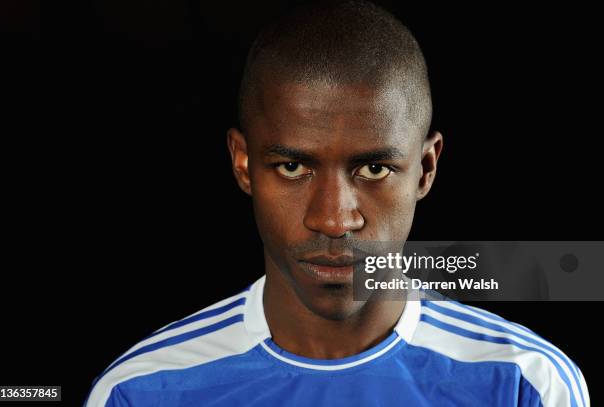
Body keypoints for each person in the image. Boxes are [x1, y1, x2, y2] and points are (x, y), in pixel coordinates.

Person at [84, 1, 589, 405]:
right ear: (242, 164)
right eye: (292, 167)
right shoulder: (142, 390)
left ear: (426, 169)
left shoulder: (527, 384)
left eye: (374, 169)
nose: (332, 217)